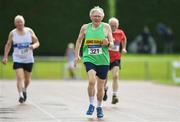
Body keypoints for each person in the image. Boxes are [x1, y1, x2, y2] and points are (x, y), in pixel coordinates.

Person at [74, 6, 114, 118]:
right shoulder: (85, 27)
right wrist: (77, 55)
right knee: (92, 81)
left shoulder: (106, 27)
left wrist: (108, 44)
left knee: (101, 87)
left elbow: (111, 43)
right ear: (90, 16)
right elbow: (79, 41)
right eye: (95, 16)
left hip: (103, 61)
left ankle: (99, 107)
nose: (97, 18)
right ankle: (91, 104)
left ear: (102, 17)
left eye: (99, 16)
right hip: (89, 58)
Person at [2, 15, 40, 103]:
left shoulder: (29, 31)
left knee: (27, 79)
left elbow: (37, 42)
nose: (19, 24)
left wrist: (33, 46)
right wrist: (5, 57)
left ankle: (24, 89)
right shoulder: (12, 33)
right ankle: (21, 95)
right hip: (17, 58)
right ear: (15, 24)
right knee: (20, 77)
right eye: (17, 22)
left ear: (24, 22)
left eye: (21, 22)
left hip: (28, 59)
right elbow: (8, 44)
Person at [103, 17, 127, 104]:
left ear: (117, 25)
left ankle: (114, 95)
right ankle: (104, 90)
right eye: (111, 25)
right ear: (108, 25)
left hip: (116, 58)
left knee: (115, 76)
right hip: (105, 58)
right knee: (104, 78)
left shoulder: (120, 32)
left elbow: (124, 39)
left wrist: (124, 48)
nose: (113, 27)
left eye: (115, 25)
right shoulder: (104, 32)